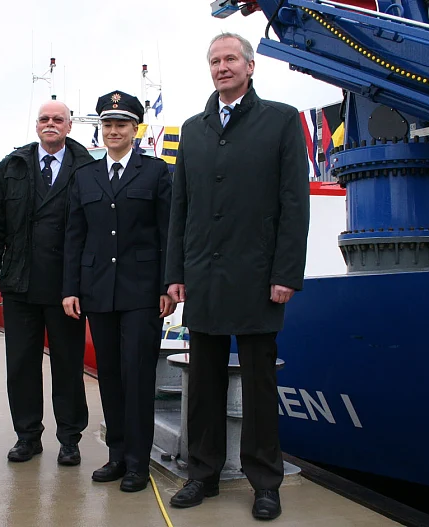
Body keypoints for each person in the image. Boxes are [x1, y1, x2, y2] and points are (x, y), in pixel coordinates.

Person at [164, 33, 309, 520]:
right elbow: (181, 207)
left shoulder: (281, 120)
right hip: (203, 275)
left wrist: (286, 272)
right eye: (214, 61)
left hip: (258, 276)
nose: (222, 67)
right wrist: (175, 273)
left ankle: (265, 482)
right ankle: (202, 474)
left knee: (259, 386)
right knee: (203, 383)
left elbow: (294, 203)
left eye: (230, 59)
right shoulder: (193, 130)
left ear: (250, 66)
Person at [63, 90, 174, 493]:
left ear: (135, 129)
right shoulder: (85, 176)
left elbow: (168, 233)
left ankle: (138, 464)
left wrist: (167, 286)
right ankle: (117, 455)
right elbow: (75, 236)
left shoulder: (156, 173)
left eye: (121, 124)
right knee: (108, 376)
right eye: (107, 124)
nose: (113, 131)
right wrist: (70, 288)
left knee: (138, 376)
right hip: (98, 291)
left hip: (142, 293)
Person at [0, 100, 94, 465]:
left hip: (66, 286)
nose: (51, 124)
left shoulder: (87, 168)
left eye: (58, 119)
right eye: (44, 118)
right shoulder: (12, 166)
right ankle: (27, 436)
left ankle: (70, 439)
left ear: (69, 126)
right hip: (20, 281)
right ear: (36, 125)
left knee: (68, 365)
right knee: (21, 365)